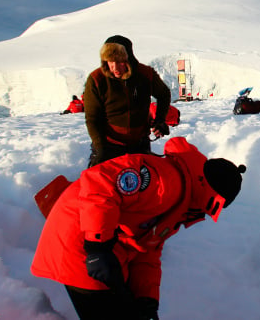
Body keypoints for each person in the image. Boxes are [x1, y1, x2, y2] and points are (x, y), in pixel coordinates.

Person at [31, 137, 246, 320]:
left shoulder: (182, 200)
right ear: (211, 196)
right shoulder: (167, 181)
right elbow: (100, 182)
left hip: (104, 250)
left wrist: (147, 298)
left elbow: (148, 249)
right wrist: (98, 246)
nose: (206, 215)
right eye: (213, 209)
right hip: (78, 240)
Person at [83, 35, 172, 167]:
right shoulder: (96, 80)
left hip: (139, 143)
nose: (115, 68)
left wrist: (160, 120)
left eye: (120, 62)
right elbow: (92, 118)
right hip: (109, 145)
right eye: (110, 62)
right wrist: (100, 148)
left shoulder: (145, 74)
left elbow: (164, 94)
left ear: (129, 59)